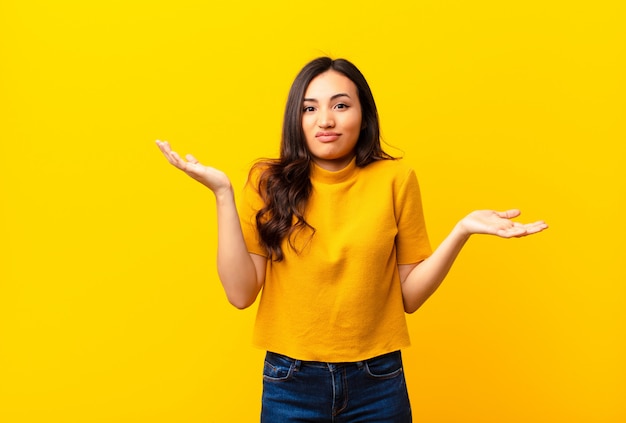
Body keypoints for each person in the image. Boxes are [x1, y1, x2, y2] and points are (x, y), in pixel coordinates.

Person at [156, 57, 548, 422]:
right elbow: (241, 294)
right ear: (297, 119)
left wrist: (461, 231)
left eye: (341, 105)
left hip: (377, 379)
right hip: (290, 379)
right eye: (310, 108)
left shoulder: (396, 180)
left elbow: (409, 297)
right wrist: (222, 194)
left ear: (364, 115)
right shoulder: (267, 182)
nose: (325, 119)